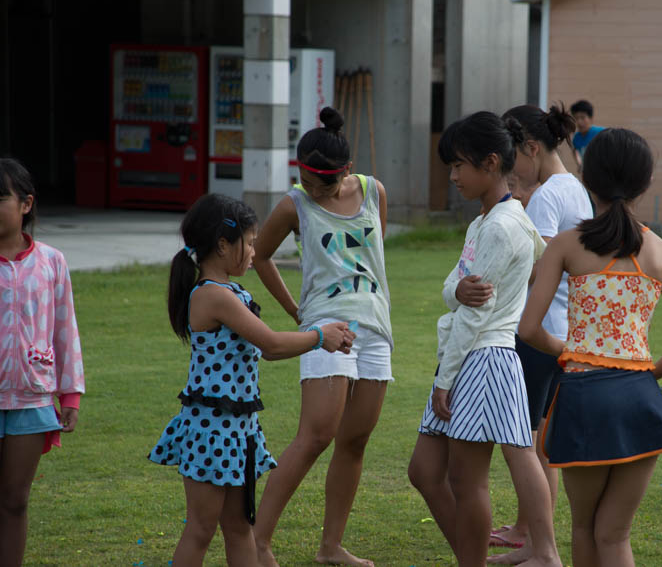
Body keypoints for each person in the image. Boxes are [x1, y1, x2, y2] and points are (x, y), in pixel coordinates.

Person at [519, 128, 662, 567]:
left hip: (584, 396)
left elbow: (528, 329)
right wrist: (639, 376)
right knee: (615, 535)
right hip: (641, 400)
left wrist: (569, 353)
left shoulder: (566, 244)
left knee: (584, 529)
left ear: (587, 178)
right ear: (645, 183)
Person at [149, 192, 355, 567]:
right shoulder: (214, 296)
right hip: (212, 430)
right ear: (224, 244)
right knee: (200, 530)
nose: (254, 252)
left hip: (237, 429)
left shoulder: (231, 292)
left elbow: (267, 345)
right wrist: (321, 337)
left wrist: (320, 335)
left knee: (241, 528)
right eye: (251, 242)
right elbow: (271, 345)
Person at [407, 111, 560, 567]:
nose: (452, 176)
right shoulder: (486, 221)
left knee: (468, 479)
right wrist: (455, 290)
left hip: (483, 358)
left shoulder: (500, 225)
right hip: (472, 355)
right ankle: (494, 555)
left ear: (491, 163)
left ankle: (514, 557)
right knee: (425, 470)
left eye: (459, 165)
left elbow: (475, 314)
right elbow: (452, 288)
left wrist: (444, 380)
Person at [252, 107, 393, 567]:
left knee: (355, 442)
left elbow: (372, 262)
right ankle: (257, 541)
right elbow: (260, 256)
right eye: (308, 183)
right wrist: (298, 311)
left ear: (348, 171)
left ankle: (331, 548)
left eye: (325, 186)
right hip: (325, 328)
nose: (315, 193)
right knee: (315, 436)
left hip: (375, 329)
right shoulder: (293, 204)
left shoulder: (374, 192)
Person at [486, 104, 593, 560]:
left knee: (525, 444)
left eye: (514, 157)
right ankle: (530, 531)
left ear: (531, 148)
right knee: (536, 441)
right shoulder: (575, 188)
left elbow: (538, 268)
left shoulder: (549, 195)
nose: (512, 170)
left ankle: (536, 542)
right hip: (563, 330)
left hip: (538, 332)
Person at [0, 158, 85, 567]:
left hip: (32, 400)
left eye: (0, 199)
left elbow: (65, 329)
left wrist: (70, 395)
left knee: (15, 501)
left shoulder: (52, 262)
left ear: (26, 204)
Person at [570, 100, 604, 168]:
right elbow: (574, 151)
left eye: (582, 117)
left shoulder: (601, 133)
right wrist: (579, 164)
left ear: (590, 118)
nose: (579, 121)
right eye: (576, 118)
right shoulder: (576, 138)